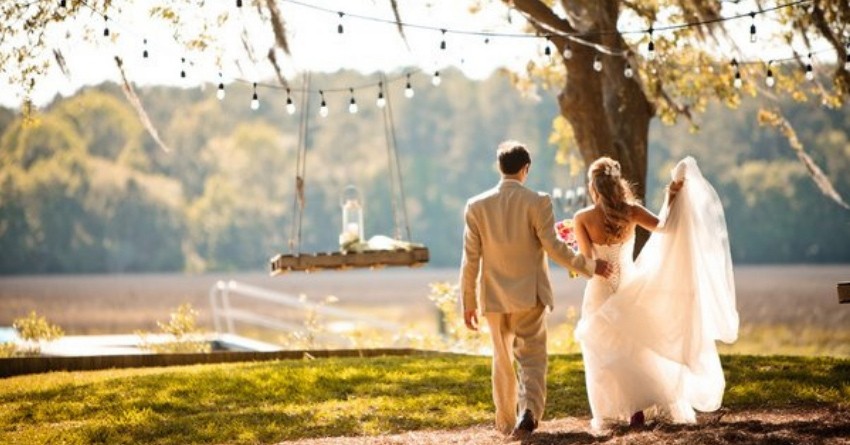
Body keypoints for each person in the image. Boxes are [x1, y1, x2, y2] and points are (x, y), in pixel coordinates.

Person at [571, 156, 739, 432]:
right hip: (630, 286)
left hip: (600, 292)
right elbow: (665, 227)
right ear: (617, 183)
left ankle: (617, 410)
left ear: (593, 187)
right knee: (636, 350)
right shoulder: (632, 211)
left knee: (603, 353)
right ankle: (637, 410)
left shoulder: (582, 219)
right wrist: (671, 198)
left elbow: (590, 264)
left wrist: (575, 246)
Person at [460, 140, 611, 439]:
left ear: (500, 168)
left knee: (502, 360)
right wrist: (590, 267)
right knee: (531, 357)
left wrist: (467, 302)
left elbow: (470, 260)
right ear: (525, 169)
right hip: (530, 295)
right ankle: (527, 412)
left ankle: (505, 423)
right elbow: (553, 247)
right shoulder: (538, 201)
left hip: (492, 297)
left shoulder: (476, 206)